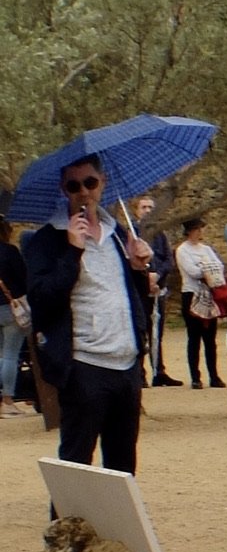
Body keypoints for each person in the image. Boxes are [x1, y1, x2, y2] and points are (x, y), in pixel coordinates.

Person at [24, 153, 152, 473]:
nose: (83, 191)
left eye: (90, 183)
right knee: (77, 461)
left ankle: (115, 525)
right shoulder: (47, 240)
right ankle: (64, 525)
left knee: (123, 464)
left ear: (102, 184)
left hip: (126, 362)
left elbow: (132, 296)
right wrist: (72, 250)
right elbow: (42, 299)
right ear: (63, 189)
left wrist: (138, 269)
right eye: (74, 185)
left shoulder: (119, 233)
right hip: (84, 364)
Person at [133, 196, 183, 387]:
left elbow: (168, 260)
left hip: (158, 291)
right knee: (140, 332)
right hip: (141, 293)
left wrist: (157, 275)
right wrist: (146, 278)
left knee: (157, 334)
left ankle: (158, 371)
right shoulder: (132, 233)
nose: (147, 210)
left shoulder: (160, 235)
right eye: (143, 207)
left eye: (150, 207)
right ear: (137, 211)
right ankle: (140, 373)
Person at [175, 218, 227, 390]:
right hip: (192, 293)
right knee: (194, 337)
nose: (199, 232)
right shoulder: (182, 250)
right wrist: (207, 268)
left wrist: (207, 269)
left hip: (208, 294)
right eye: (197, 229)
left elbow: (219, 266)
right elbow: (193, 271)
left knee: (210, 339)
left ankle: (214, 375)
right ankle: (195, 377)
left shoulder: (206, 249)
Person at [0, 215, 34, 419]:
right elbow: (24, 280)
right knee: (11, 355)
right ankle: (8, 400)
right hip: (10, 308)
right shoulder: (9, 252)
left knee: (2, 354)